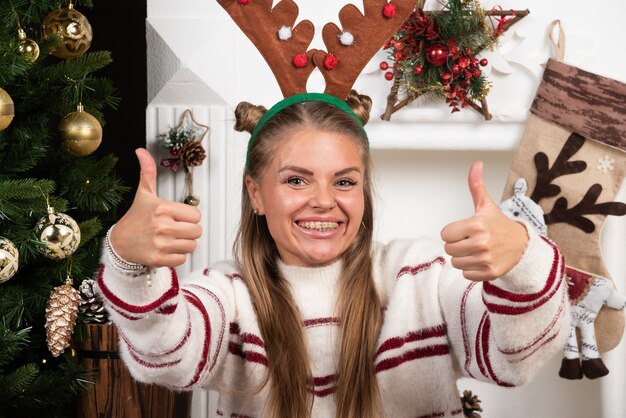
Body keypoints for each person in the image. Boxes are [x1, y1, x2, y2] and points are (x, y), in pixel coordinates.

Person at [98, 91, 569, 418]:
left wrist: (523, 259)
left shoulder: (421, 276)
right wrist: (129, 262)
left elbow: (513, 360)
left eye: (344, 181)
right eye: (296, 180)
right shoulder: (228, 295)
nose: (324, 200)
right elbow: (165, 356)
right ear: (256, 194)